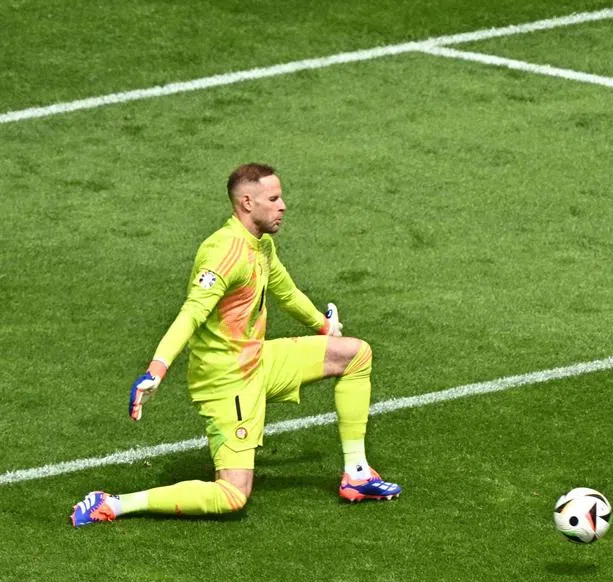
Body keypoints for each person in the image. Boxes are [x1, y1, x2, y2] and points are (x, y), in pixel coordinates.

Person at [71, 163, 401, 526]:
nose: (283, 206)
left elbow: (285, 291)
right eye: (273, 198)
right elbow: (191, 314)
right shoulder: (223, 253)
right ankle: (114, 503)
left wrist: (324, 326)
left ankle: (357, 474)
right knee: (232, 495)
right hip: (227, 382)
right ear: (247, 202)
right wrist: (156, 369)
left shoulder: (261, 246)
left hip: (258, 361)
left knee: (355, 354)